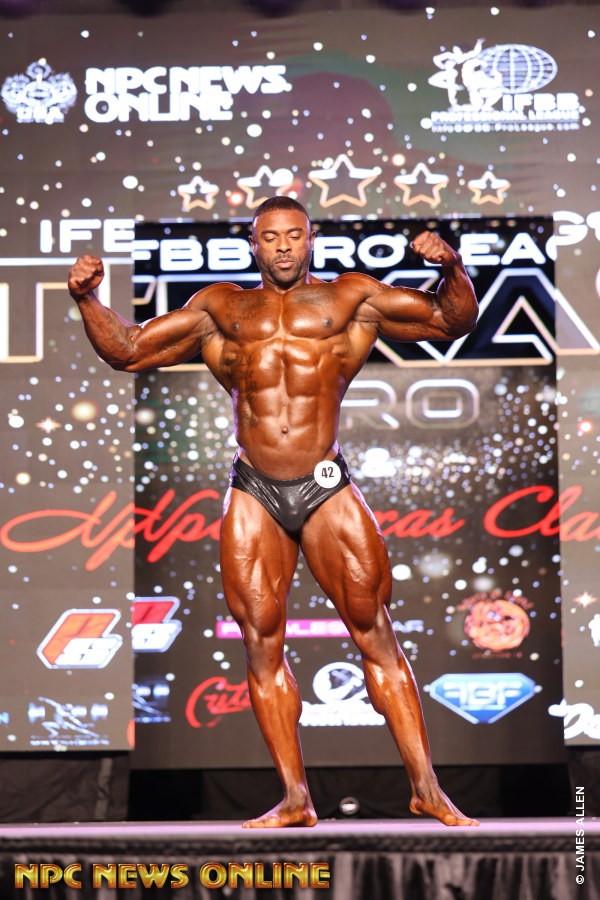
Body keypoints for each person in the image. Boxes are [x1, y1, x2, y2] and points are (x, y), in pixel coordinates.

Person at [68, 196, 479, 829]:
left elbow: (451, 321)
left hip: (325, 482)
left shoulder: (351, 298)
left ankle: (427, 789)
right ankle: (294, 798)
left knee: (374, 632)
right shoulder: (220, 308)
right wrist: (88, 298)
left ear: (311, 239)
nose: (283, 246)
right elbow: (125, 349)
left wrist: (451, 268)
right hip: (254, 486)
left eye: (293, 235)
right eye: (270, 237)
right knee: (261, 642)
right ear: (253, 245)